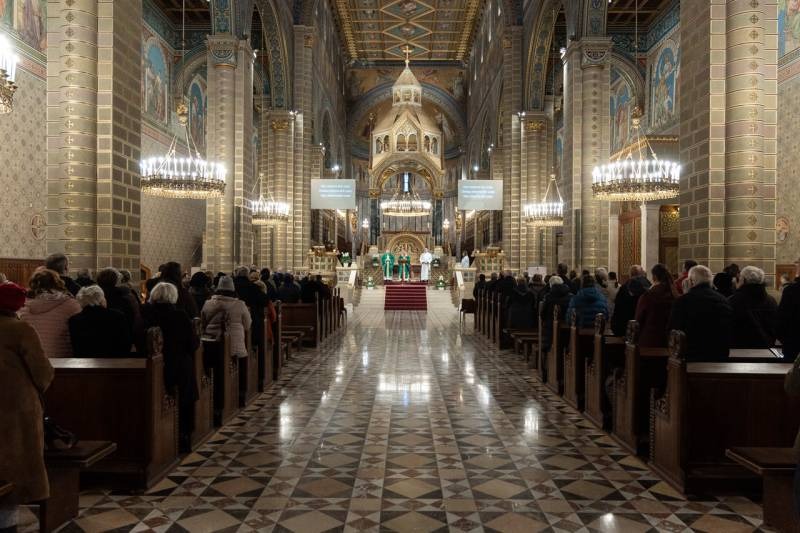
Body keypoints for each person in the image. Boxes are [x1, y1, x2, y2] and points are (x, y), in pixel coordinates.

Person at [0, 282, 54, 533]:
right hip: (15, 406)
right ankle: (8, 523)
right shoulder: (20, 329)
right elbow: (42, 371)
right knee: (15, 466)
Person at [143, 282, 199, 451]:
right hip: (177, 366)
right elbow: (192, 344)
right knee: (185, 397)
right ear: (173, 297)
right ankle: (183, 435)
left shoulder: (145, 312)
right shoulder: (179, 315)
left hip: (149, 365)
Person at [668, 265, 733, 361]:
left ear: (691, 281)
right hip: (718, 354)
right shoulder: (723, 300)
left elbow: (674, 329)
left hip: (691, 355)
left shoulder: (683, 301)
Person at [18, 269, 82, 358]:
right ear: (58, 283)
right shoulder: (71, 304)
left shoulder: (22, 305)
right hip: (62, 360)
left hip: (32, 360)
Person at [68, 285, 132, 357]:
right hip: (114, 360)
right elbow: (126, 344)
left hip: (85, 361)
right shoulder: (117, 316)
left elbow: (76, 348)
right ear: (101, 300)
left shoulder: (74, 320)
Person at [201, 276, 252, 359]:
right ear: (233, 290)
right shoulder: (240, 305)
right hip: (235, 348)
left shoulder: (207, 304)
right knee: (238, 361)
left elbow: (203, 324)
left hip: (212, 346)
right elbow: (247, 325)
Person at [96, 267, 145, 352]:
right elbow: (134, 318)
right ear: (116, 281)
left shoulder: (94, 296)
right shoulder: (125, 296)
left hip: (98, 342)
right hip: (120, 342)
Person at [729, 266, 778, 348]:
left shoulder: (733, 301)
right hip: (766, 347)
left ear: (743, 280)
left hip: (739, 348)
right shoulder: (771, 301)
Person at [635, 264, 678, 347]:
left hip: (650, 340)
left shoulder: (649, 295)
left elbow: (639, 319)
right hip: (670, 342)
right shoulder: (674, 294)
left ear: (654, 277)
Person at [610, 265, 651, 336]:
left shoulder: (624, 288)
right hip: (643, 329)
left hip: (623, 327)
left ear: (630, 275)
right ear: (642, 274)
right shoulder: (648, 288)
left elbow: (618, 307)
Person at [540, 275, 573, 354]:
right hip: (567, 328)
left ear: (550, 285)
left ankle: (548, 354)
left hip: (551, 327)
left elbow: (543, 313)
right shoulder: (571, 296)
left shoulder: (548, 297)